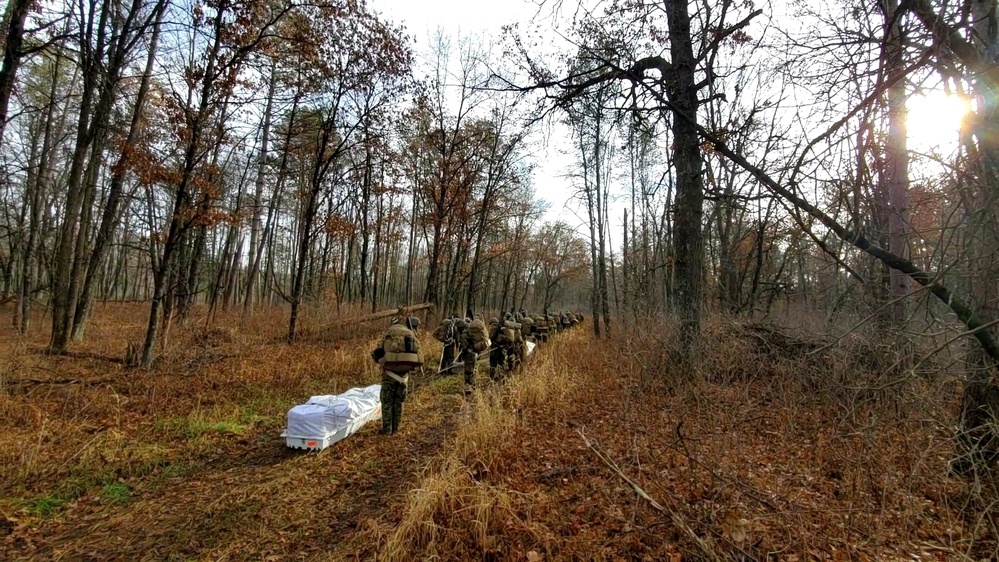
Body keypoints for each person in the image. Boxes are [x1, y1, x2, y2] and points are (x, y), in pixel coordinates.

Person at [371, 317, 423, 435]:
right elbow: (420, 356)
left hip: (388, 375)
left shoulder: (387, 335)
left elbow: (377, 353)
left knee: (387, 402)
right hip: (403, 376)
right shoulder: (410, 335)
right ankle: (396, 428)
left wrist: (381, 361)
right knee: (399, 402)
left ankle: (387, 430)